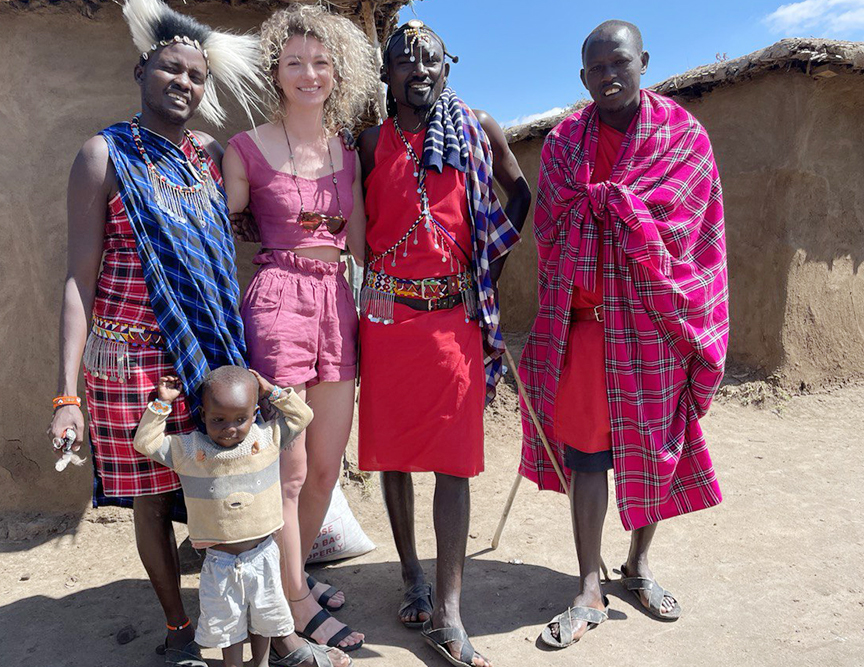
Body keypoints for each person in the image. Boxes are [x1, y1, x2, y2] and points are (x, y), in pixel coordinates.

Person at [46, 1, 264, 664]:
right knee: (149, 498)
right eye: (171, 68)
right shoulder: (102, 155)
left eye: (197, 76)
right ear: (142, 69)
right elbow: (78, 281)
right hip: (130, 360)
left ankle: (236, 620)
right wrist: (66, 397)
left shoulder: (209, 156)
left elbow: (243, 232)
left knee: (218, 488)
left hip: (210, 356)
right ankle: (177, 627)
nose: (185, 83)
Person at [518, 20, 728, 649]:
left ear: (643, 63)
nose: (609, 75)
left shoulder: (683, 138)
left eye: (620, 63)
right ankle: (587, 583)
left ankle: (637, 566)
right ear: (583, 78)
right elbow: (552, 225)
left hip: (655, 329)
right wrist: (604, 207)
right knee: (588, 458)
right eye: (596, 68)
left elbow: (692, 227)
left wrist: (618, 207)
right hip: (585, 328)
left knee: (653, 450)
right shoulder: (561, 145)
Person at [356, 20, 531, 667]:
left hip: (454, 321)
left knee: (454, 462)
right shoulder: (370, 142)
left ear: (447, 69)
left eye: (431, 59)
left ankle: (450, 612)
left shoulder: (478, 128)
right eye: (406, 59)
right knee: (395, 457)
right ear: (387, 73)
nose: (420, 69)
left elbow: (521, 194)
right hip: (387, 323)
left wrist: (488, 270)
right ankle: (411, 576)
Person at [221, 4, 377, 654]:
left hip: (336, 304)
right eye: (295, 63)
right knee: (284, 472)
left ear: (336, 71)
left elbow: (364, 246)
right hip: (277, 301)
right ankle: (294, 600)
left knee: (323, 468)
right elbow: (217, 223)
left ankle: (291, 574)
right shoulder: (244, 148)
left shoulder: (346, 153)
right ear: (276, 72)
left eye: (320, 62)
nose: (309, 74)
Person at [132, 368, 352, 667]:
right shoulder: (190, 450)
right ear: (203, 414)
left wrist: (271, 390)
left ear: (255, 413)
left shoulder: (268, 438)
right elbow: (145, 442)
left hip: (264, 558)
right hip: (219, 565)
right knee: (228, 628)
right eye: (218, 420)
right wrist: (162, 404)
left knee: (266, 621)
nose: (230, 429)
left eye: (241, 419)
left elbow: (302, 417)